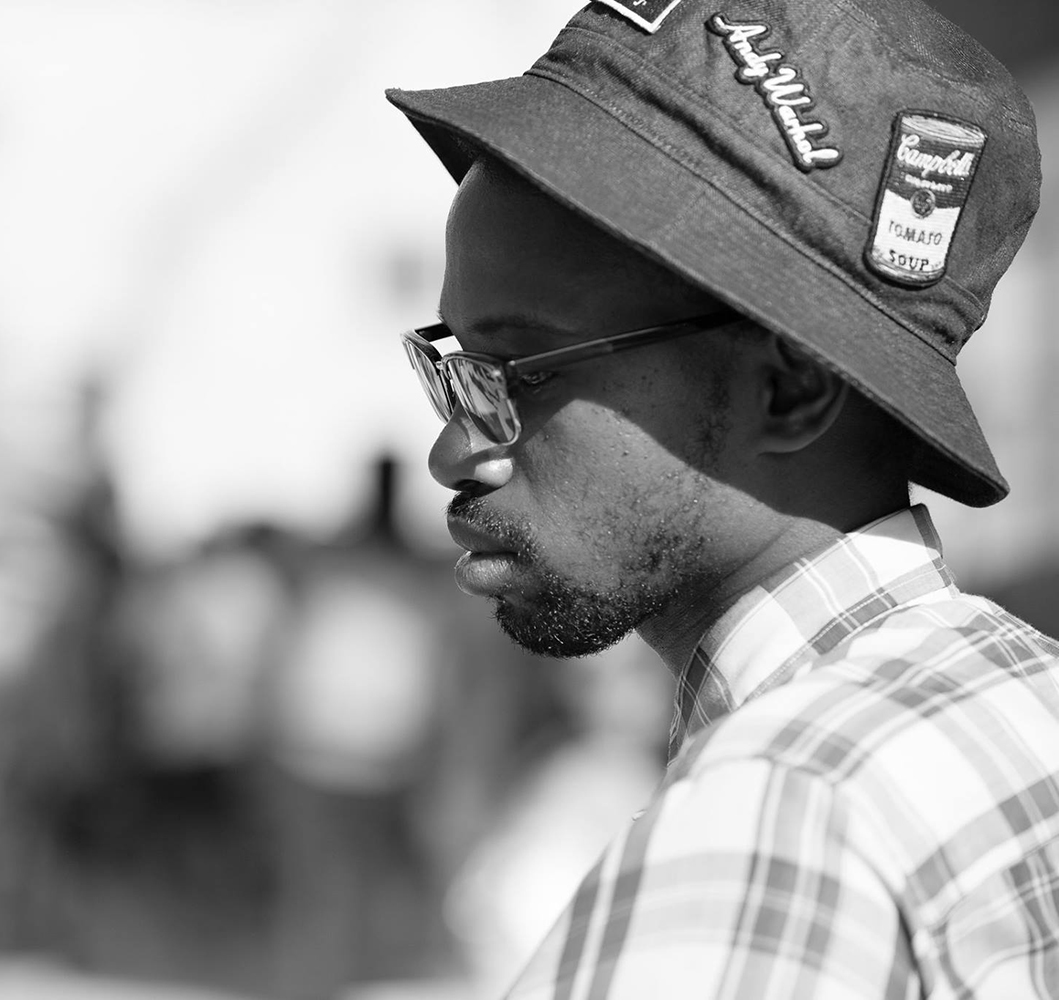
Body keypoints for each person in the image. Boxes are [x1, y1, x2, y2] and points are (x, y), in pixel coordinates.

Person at [385, 0, 1054, 996]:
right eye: (453, 367)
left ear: (790, 387)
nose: (453, 450)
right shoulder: (1019, 707)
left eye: (519, 369)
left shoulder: (776, 816)